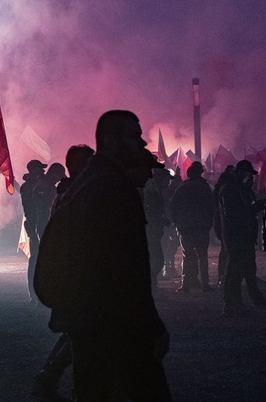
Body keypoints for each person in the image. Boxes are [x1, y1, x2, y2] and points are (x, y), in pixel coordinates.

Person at [44, 110, 170, 400]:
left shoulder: (90, 182)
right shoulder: (112, 188)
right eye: (134, 136)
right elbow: (126, 267)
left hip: (90, 316)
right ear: (112, 141)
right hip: (114, 320)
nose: (140, 144)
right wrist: (150, 324)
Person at [31, 144, 92, 399]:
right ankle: (53, 377)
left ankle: (49, 375)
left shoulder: (69, 191)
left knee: (76, 333)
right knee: (83, 334)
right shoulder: (73, 193)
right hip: (78, 274)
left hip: (75, 273)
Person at [219, 160, 266, 316]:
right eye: (249, 175)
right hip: (236, 236)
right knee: (235, 270)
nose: (250, 178)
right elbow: (234, 214)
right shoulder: (229, 189)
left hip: (243, 235)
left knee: (248, 269)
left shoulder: (239, 188)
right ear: (241, 172)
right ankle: (231, 303)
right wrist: (252, 209)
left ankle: (253, 298)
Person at [170, 162, 215, 292]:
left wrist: (177, 223)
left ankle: (185, 285)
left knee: (187, 256)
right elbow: (212, 206)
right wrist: (208, 222)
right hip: (201, 227)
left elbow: (173, 206)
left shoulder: (182, 188)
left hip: (186, 228)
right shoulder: (205, 187)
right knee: (202, 256)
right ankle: (205, 284)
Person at [20, 160, 47, 303]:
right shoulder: (28, 187)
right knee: (35, 258)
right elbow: (31, 208)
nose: (42, 172)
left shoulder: (35, 185)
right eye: (40, 169)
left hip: (38, 225)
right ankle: (33, 294)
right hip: (33, 225)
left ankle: (39, 293)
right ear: (33, 170)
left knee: (40, 259)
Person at [143, 167, 172, 290]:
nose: (168, 183)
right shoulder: (152, 192)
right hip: (152, 230)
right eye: (167, 180)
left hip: (154, 230)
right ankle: (151, 287)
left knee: (156, 260)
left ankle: (153, 287)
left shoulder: (155, 191)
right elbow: (152, 212)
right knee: (157, 260)